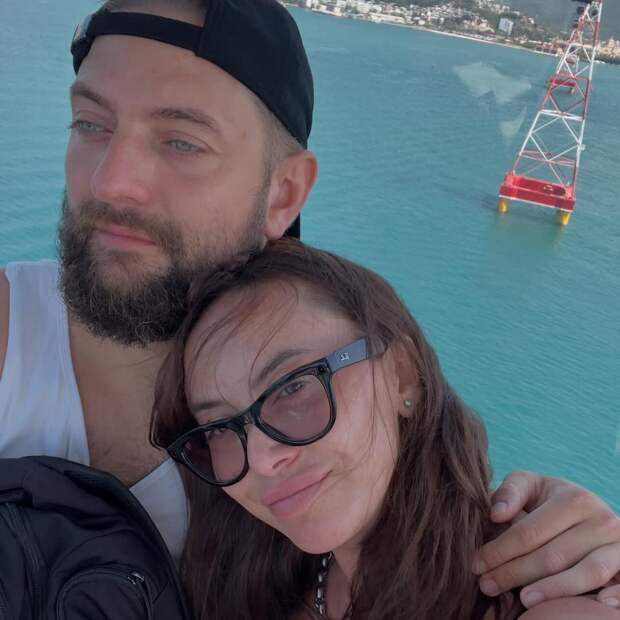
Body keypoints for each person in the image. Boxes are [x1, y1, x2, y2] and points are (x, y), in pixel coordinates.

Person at [0, 0, 617, 609]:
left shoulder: (296, 495)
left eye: (182, 142)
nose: (109, 182)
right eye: (90, 125)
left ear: (284, 193)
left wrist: (566, 545)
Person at [154, 238, 620, 620]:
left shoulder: (550, 604)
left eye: (293, 386)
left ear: (402, 375)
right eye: (218, 427)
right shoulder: (251, 576)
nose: (260, 459)